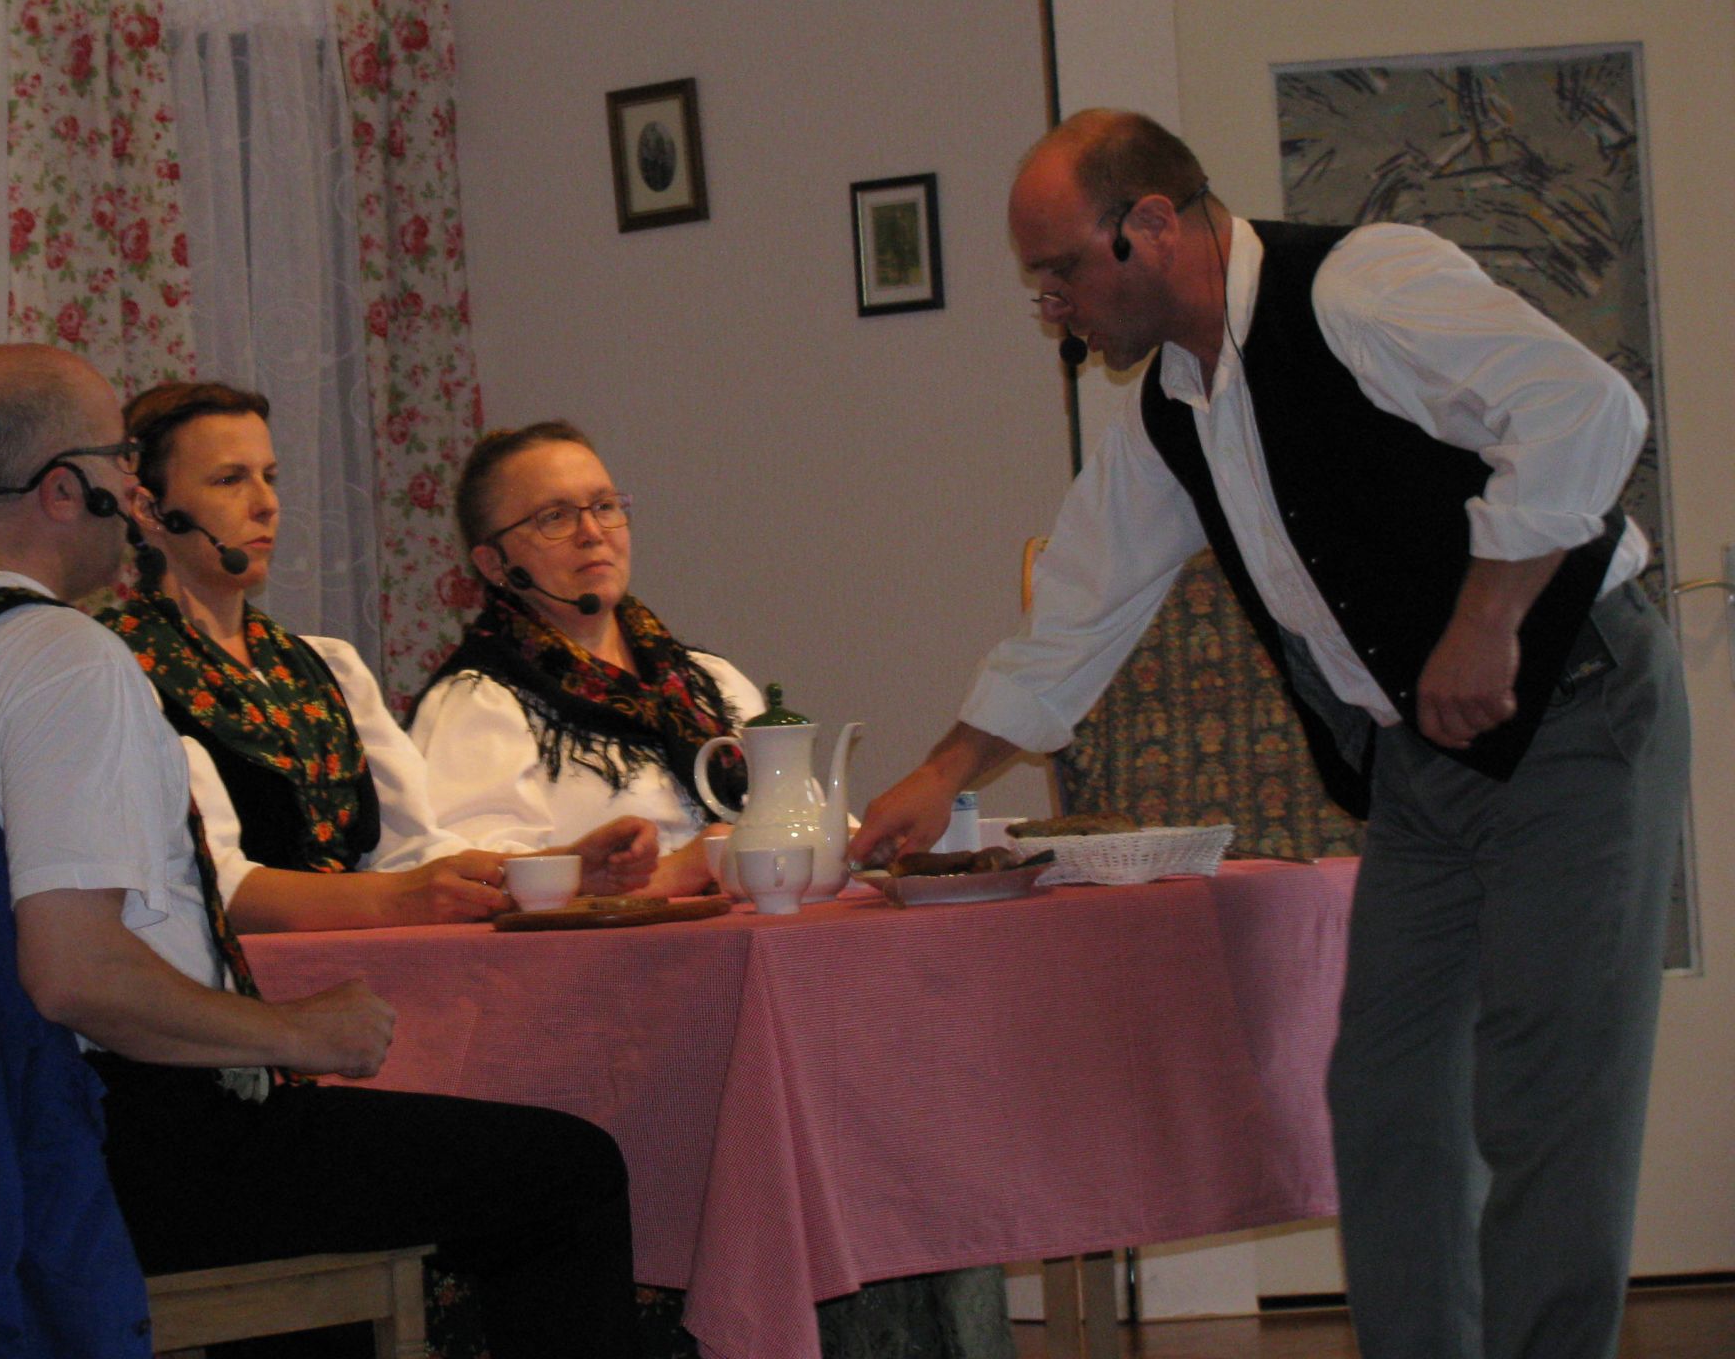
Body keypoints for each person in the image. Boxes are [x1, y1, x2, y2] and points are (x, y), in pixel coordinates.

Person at [852, 111, 1689, 1359]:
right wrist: (940, 774)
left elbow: (1585, 411)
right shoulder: (1169, 412)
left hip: (1573, 709)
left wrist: (1487, 618)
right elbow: (1077, 613)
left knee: (1546, 1098)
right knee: (1388, 1100)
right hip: (1419, 773)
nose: (1052, 308)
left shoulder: (1356, 288)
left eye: (1060, 271)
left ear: (1149, 224)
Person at [0, 345, 640, 1359]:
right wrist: (295, 1033)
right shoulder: (61, 659)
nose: (137, 494)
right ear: (66, 489)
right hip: (109, 1149)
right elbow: (75, 972)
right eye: (122, 465)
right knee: (569, 1170)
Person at [98, 381, 658, 934]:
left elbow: (417, 850)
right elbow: (204, 880)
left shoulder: (323, 667)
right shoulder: (118, 672)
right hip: (225, 982)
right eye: (229, 480)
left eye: (269, 477)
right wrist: (395, 899)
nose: (266, 504)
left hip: (358, 970)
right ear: (149, 509)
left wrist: (561, 872)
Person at [409, 421, 762, 901]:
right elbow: (471, 885)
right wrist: (676, 872)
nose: (592, 532)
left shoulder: (711, 683)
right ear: (494, 564)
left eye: (604, 507)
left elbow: (800, 820)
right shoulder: (479, 704)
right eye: (554, 517)